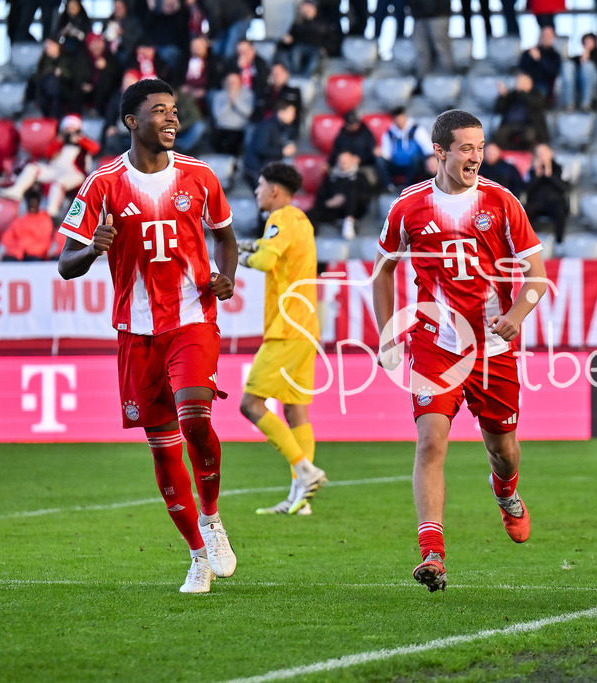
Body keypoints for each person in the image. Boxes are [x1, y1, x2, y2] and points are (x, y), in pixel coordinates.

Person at [57, 78, 239, 595]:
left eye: (174, 109)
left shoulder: (201, 175)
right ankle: (197, 556)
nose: (172, 117)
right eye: (160, 110)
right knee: (163, 449)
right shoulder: (102, 183)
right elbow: (65, 264)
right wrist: (92, 249)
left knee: (195, 417)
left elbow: (225, 238)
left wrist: (226, 277)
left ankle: (211, 518)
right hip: (136, 331)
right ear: (132, 122)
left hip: (191, 317)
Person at [371, 109, 548, 592]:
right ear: (440, 151)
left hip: (494, 347)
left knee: (503, 450)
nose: (476, 156)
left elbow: (536, 276)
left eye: (480, 147)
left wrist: (515, 316)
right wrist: (387, 333)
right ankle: (432, 552)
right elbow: (382, 271)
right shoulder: (408, 206)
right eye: (466, 148)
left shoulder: (502, 202)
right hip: (435, 345)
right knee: (430, 441)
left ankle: (506, 492)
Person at [237, 161, 327, 516]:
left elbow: (264, 261)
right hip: (305, 326)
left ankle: (305, 471)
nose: (256, 191)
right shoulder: (300, 220)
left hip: (287, 328)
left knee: (250, 404)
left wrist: (235, 257)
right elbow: (271, 250)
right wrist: (250, 246)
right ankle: (300, 499)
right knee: (294, 408)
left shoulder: (280, 218)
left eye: (260, 185)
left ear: (274, 190)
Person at [0, 114, 101, 218]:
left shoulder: (84, 141)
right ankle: (17, 191)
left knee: (59, 182)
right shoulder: (59, 141)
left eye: (72, 128)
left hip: (75, 173)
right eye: (67, 128)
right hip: (55, 170)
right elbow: (48, 153)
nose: (70, 130)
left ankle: (51, 211)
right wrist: (59, 141)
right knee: (32, 168)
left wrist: (80, 139)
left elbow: (95, 148)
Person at [308, 151, 372, 239]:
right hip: (334, 209)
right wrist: (329, 202)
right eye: (341, 161)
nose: (343, 163)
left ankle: (348, 222)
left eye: (346, 161)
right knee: (310, 213)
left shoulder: (360, 177)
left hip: (355, 210)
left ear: (352, 161)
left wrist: (345, 199)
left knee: (352, 192)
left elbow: (366, 197)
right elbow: (320, 197)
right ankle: (310, 236)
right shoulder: (331, 178)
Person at [242, 98, 299, 188]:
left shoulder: (282, 127)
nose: (294, 116)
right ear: (281, 113)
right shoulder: (267, 126)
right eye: (291, 112)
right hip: (257, 169)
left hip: (266, 169)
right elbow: (260, 148)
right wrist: (282, 151)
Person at [376, 106, 434, 190]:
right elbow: (387, 154)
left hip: (413, 166)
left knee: (418, 159)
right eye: (396, 119)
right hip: (397, 165)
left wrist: (431, 158)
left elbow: (428, 148)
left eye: (401, 118)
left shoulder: (416, 130)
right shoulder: (389, 133)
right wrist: (380, 153)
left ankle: (408, 186)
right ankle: (390, 187)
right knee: (379, 160)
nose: (399, 121)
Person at [524, 142, 570, 243]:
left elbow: (565, 188)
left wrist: (550, 175)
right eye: (539, 153)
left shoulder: (560, 168)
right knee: (522, 212)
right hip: (536, 202)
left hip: (555, 201)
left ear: (551, 153)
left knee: (560, 211)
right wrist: (536, 176)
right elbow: (526, 190)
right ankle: (526, 243)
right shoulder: (531, 171)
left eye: (544, 153)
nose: (541, 156)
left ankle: (559, 242)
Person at [492, 72, 550, 152]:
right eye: (517, 81)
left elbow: (535, 103)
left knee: (529, 136)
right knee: (499, 136)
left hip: (529, 126)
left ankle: (527, 152)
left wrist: (522, 92)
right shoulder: (512, 95)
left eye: (521, 82)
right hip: (510, 125)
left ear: (530, 83)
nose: (518, 84)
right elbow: (499, 109)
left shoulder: (536, 94)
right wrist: (503, 97)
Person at [0, 189, 60, 261]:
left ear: (38, 204)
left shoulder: (45, 220)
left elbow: (46, 241)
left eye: (34, 204)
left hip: (36, 254)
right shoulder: (19, 220)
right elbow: (7, 238)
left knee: (34, 260)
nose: (32, 207)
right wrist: (17, 248)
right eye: (30, 204)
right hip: (18, 253)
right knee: (8, 260)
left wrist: (29, 250)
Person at [559, 33, 597, 112]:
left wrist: (588, 59)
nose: (587, 44)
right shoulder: (577, 58)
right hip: (577, 82)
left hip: (594, 83)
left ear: (595, 43)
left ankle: (586, 104)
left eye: (590, 42)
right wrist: (582, 60)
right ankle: (569, 104)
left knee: (587, 66)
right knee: (567, 65)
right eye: (585, 42)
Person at [518, 25, 562, 101]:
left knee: (536, 97)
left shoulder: (555, 55)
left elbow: (553, 71)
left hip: (542, 84)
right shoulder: (529, 51)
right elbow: (521, 67)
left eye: (548, 35)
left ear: (553, 37)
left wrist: (539, 58)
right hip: (526, 82)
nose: (546, 37)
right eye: (544, 34)